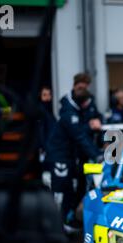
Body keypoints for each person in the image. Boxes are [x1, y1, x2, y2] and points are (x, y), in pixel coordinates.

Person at [46, 88, 102, 234]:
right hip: (60, 157)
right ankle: (57, 224)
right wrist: (97, 156)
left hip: (68, 156)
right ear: (82, 102)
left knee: (69, 190)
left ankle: (64, 221)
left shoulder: (75, 112)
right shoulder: (69, 115)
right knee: (61, 190)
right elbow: (80, 136)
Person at [38, 86, 56, 168]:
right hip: (46, 149)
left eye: (49, 94)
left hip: (50, 147)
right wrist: (44, 148)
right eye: (44, 95)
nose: (47, 97)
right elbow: (41, 132)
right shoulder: (41, 111)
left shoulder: (50, 110)